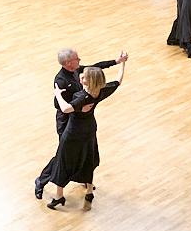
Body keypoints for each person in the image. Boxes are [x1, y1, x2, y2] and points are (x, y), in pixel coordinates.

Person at [34, 48, 124, 200]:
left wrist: (116, 61)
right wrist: (79, 108)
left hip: (80, 119)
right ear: (68, 63)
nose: (80, 60)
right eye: (77, 59)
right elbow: (58, 104)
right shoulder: (61, 80)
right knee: (63, 156)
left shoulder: (77, 70)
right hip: (67, 122)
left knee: (84, 151)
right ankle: (41, 181)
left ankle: (84, 177)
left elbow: (95, 68)